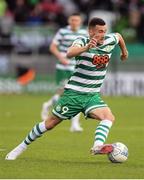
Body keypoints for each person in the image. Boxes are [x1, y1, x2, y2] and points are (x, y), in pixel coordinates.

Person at [5, 17, 128, 160]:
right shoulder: (81, 41)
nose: (103, 34)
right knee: (50, 124)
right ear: (90, 31)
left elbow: (118, 36)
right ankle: (19, 148)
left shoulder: (109, 39)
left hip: (92, 96)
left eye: (105, 31)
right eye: (100, 31)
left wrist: (124, 52)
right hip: (74, 94)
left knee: (108, 117)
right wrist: (87, 47)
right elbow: (69, 53)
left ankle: (97, 146)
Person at [41, 12, 87, 132]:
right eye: (72, 20)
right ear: (69, 20)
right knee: (62, 94)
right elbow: (52, 46)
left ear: (80, 21)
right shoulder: (62, 31)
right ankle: (47, 105)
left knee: (77, 94)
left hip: (76, 68)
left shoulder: (84, 33)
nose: (74, 22)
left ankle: (74, 124)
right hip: (62, 68)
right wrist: (61, 58)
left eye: (77, 20)